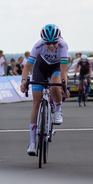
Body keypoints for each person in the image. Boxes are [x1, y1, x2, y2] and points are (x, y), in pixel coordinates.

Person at [20, 24, 69, 156]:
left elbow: (63, 70)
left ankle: (58, 110)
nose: (52, 46)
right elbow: (27, 67)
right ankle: (32, 142)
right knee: (36, 102)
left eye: (54, 42)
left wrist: (64, 85)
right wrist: (24, 81)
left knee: (54, 87)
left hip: (56, 68)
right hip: (40, 68)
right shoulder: (38, 45)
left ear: (59, 40)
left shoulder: (63, 46)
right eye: (48, 43)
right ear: (43, 41)